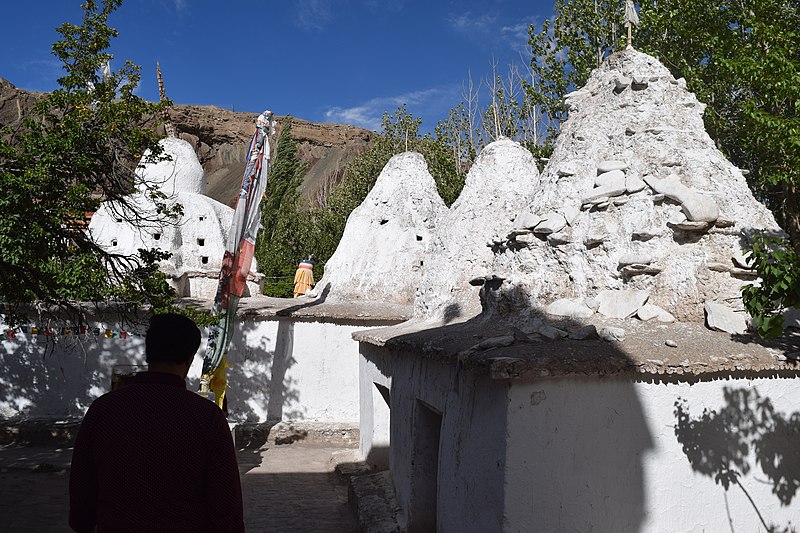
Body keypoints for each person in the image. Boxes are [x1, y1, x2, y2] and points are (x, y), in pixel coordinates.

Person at [69, 313, 245, 533]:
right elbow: (226, 507)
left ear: (148, 353)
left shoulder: (103, 410)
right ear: (189, 359)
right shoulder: (206, 417)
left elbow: (81, 496)